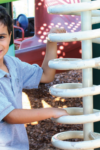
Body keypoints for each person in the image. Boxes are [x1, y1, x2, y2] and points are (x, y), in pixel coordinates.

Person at [0, 5, 68, 150]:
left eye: (1, 37)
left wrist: (51, 41)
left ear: (10, 36)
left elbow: (45, 75)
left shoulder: (13, 64)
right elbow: (10, 115)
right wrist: (51, 111)